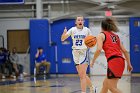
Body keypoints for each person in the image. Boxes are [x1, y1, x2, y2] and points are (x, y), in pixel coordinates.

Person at [90, 18, 133, 93]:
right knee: (105, 84)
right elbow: (125, 51)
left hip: (114, 61)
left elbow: (99, 49)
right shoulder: (116, 36)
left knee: (112, 87)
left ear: (102, 27)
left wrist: (93, 61)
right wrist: (129, 64)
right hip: (120, 60)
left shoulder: (101, 35)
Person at [61, 16, 96, 93]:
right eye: (78, 20)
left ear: (83, 22)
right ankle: (92, 87)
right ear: (76, 22)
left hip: (83, 52)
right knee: (81, 74)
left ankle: (83, 92)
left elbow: (93, 41)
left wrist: (90, 44)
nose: (80, 21)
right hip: (75, 53)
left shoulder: (87, 30)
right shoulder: (72, 30)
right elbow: (62, 39)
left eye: (81, 20)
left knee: (82, 76)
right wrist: (64, 32)